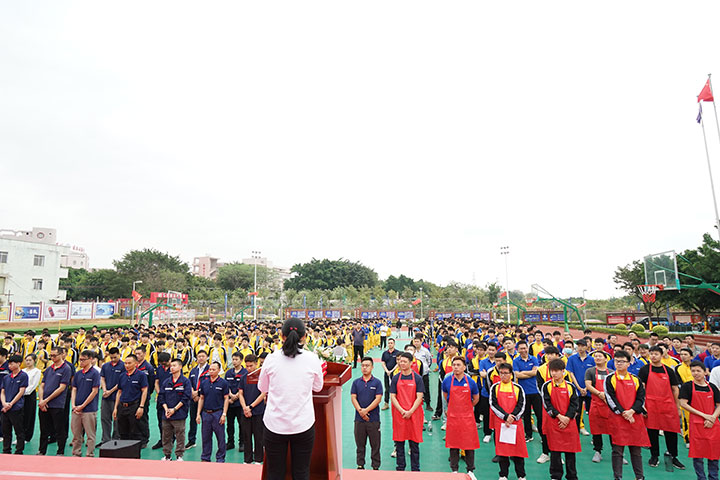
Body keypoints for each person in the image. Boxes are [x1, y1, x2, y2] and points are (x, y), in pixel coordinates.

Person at [258, 318, 324, 480]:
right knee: (301, 472)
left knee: (274, 473)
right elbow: (318, 387)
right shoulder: (312, 359)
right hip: (303, 425)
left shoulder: (271, 359)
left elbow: (262, 388)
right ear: (304, 337)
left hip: (275, 425)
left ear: (281, 336)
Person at [604, 350, 649, 480]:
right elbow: (610, 398)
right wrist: (623, 412)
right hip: (618, 418)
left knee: (636, 450)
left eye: (622, 361)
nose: (619, 364)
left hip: (634, 419)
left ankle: (639, 477)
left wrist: (632, 411)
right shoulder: (610, 378)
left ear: (628, 363)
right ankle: (617, 477)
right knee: (617, 451)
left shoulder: (636, 379)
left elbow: (641, 398)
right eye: (617, 361)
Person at [638, 345, 684, 469]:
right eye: (651, 353)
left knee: (671, 431)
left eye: (656, 354)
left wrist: (677, 406)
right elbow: (641, 388)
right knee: (652, 431)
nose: (653, 356)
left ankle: (674, 456)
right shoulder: (644, 370)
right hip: (651, 405)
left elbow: (675, 389)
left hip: (668, 405)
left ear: (661, 355)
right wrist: (642, 405)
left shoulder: (669, 370)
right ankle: (654, 456)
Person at [679, 360, 720, 480]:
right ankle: (701, 477)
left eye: (698, 371)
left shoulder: (712, 387)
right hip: (696, 424)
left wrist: (712, 417)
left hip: (712, 424)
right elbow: (683, 404)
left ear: (704, 372)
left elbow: (719, 405)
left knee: (714, 453)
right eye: (693, 371)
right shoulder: (687, 386)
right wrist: (704, 415)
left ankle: (714, 477)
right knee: (698, 455)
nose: (696, 373)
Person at [541, 358, 581, 480]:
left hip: (569, 424)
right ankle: (555, 476)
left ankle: (572, 476)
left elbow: (575, 404)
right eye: (552, 371)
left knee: (570, 453)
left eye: (557, 371)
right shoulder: (546, 386)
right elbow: (547, 404)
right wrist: (559, 416)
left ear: (563, 372)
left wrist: (567, 418)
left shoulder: (570, 386)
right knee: (555, 452)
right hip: (554, 423)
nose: (554, 373)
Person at [443, 356, 480, 477]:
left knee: (469, 444)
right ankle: (454, 470)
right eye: (454, 365)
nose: (456, 367)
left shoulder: (471, 382)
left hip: (467, 418)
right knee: (453, 445)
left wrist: (466, 409)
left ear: (464, 367)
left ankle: (470, 470)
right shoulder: (447, 381)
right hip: (453, 418)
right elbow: (446, 395)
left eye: (459, 365)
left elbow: (476, 398)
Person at [489, 362, 527, 480]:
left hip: (515, 424)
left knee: (518, 452)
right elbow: (493, 404)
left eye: (506, 373)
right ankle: (503, 475)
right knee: (502, 451)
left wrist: (513, 417)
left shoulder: (517, 388)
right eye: (501, 373)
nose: (503, 375)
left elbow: (522, 405)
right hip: (501, 424)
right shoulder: (494, 387)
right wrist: (505, 417)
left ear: (511, 374)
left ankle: (521, 475)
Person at [390, 351, 425, 472]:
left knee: (414, 444)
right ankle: (400, 468)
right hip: (399, 415)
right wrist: (401, 410)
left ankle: (415, 469)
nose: (402, 363)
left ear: (411, 363)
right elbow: (393, 396)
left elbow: (419, 397)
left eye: (405, 361)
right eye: (400, 361)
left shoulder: (418, 378)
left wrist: (410, 411)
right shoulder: (395, 378)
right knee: (399, 444)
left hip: (414, 414)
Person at [38, 346, 72, 455]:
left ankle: (60, 451)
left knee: (59, 429)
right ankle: (42, 451)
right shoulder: (48, 369)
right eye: (51, 355)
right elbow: (41, 386)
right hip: (44, 404)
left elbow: (62, 388)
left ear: (61, 355)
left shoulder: (66, 369)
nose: (52, 357)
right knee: (43, 430)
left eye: (54, 355)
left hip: (57, 404)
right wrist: (42, 400)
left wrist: (46, 400)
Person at [350, 356, 383, 470]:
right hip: (359, 420)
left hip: (373, 420)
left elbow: (378, 399)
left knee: (375, 445)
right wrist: (361, 411)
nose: (365, 368)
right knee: (360, 445)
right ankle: (360, 465)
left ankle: (375, 466)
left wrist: (366, 410)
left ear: (372, 367)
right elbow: (353, 398)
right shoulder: (356, 382)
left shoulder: (377, 383)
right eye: (363, 366)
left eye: (367, 366)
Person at [158, 358, 191, 461]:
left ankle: (179, 455)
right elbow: (161, 396)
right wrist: (167, 409)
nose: (171, 368)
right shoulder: (166, 382)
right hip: (167, 414)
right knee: (166, 436)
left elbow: (186, 397)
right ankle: (167, 455)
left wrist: (174, 409)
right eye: (171, 366)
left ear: (180, 367)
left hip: (179, 414)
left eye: (174, 365)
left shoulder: (185, 381)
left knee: (180, 435)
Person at [196, 361, 229, 462]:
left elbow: (226, 399)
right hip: (206, 414)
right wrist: (198, 414)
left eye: (214, 369)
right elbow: (201, 398)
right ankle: (205, 458)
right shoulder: (204, 382)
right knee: (205, 437)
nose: (211, 371)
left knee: (221, 438)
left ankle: (220, 458)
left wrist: (224, 414)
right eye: (210, 369)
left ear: (219, 370)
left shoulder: (223, 383)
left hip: (218, 414)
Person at [70, 350, 101, 457]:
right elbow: (74, 389)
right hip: (76, 409)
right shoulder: (78, 373)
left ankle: (90, 454)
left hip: (89, 409)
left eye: (84, 360)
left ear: (91, 359)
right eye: (80, 360)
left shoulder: (95, 373)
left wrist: (83, 406)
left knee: (90, 434)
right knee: (76, 434)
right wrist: (73, 405)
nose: (81, 362)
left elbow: (95, 391)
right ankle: (76, 452)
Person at [584, 349, 613, 463]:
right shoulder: (590, 371)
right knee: (596, 429)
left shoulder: (611, 372)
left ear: (606, 359)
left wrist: (607, 397)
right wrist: (600, 394)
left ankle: (617, 452)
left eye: (600, 356)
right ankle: (597, 451)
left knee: (613, 429)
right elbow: (588, 385)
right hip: (596, 404)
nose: (597, 358)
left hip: (609, 405)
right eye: (595, 356)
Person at [238, 354, 266, 464]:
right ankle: (247, 460)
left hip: (258, 412)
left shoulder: (262, 378)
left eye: (251, 366)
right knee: (246, 437)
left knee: (258, 437)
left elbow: (263, 393)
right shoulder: (244, 377)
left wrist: (251, 407)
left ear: (256, 364)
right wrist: (245, 407)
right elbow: (240, 393)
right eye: (247, 366)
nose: (248, 368)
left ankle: (259, 459)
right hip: (245, 412)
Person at [113, 354, 148, 441]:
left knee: (135, 431)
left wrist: (141, 407)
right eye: (125, 363)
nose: (127, 365)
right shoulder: (122, 376)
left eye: (129, 363)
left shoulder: (141, 375)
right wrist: (115, 408)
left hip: (134, 406)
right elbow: (119, 392)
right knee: (122, 431)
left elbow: (144, 391)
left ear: (136, 363)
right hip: (122, 406)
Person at [513, 340, 540, 443]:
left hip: (535, 391)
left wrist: (523, 372)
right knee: (526, 415)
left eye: (525, 348)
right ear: (518, 350)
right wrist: (529, 372)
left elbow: (535, 372)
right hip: (523, 392)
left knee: (539, 415)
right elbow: (518, 375)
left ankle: (543, 435)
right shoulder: (516, 361)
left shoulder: (533, 358)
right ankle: (528, 435)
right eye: (521, 348)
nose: (524, 350)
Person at [566, 339, 595, 436]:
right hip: (576, 390)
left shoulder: (592, 359)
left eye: (582, 346)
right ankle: (576, 432)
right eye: (578, 346)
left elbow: (593, 375)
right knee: (576, 412)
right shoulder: (572, 359)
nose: (580, 348)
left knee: (591, 413)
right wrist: (579, 388)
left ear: (587, 347)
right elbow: (571, 374)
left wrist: (586, 388)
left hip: (589, 390)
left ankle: (595, 436)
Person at [1, 355, 28, 454]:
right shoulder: (6, 377)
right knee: (6, 431)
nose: (10, 365)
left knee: (19, 431)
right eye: (9, 363)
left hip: (16, 408)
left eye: (12, 363)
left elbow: (21, 392)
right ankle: (6, 450)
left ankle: (19, 451)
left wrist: (11, 404)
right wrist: (4, 403)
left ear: (18, 364)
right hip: (5, 408)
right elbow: (2, 391)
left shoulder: (23, 376)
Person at [99, 347, 124, 445]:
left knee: (116, 419)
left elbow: (121, 382)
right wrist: (105, 390)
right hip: (106, 397)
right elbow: (102, 378)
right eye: (111, 357)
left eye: (115, 357)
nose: (113, 359)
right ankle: (105, 440)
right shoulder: (105, 366)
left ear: (119, 354)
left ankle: (116, 439)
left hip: (117, 397)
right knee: (105, 418)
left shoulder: (123, 366)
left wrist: (110, 391)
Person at [186, 349, 210, 449]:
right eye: (199, 356)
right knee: (192, 419)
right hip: (193, 399)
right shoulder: (193, 370)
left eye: (203, 356)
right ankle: (192, 440)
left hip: (205, 399)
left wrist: (198, 393)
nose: (201, 358)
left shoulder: (210, 370)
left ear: (207, 357)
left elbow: (209, 384)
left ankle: (206, 442)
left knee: (206, 421)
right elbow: (189, 383)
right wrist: (193, 393)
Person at [225, 351, 247, 452]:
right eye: (233, 359)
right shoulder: (228, 372)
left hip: (239, 403)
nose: (234, 361)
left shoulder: (245, 372)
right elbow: (226, 386)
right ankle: (230, 442)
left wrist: (236, 396)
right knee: (229, 424)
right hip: (230, 403)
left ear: (241, 361)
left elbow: (244, 387)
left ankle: (242, 443)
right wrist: (231, 395)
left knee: (241, 424)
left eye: (236, 359)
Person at [22, 353, 41, 442]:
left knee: (29, 415)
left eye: (30, 360)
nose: (28, 362)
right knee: (21, 416)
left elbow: (33, 385)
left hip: (29, 395)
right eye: (27, 360)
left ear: (34, 361)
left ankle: (27, 436)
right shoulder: (23, 371)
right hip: (20, 395)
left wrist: (24, 392)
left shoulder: (37, 371)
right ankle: (20, 436)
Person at [413, 335, 433, 411]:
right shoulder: (412, 352)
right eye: (415, 341)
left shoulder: (425, 351)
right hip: (414, 375)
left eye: (418, 341)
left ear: (421, 342)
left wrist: (426, 368)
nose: (416, 343)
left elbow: (429, 360)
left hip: (424, 374)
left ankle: (428, 404)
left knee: (426, 389)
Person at [380, 338, 399, 410]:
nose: (390, 344)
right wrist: (387, 371)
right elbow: (383, 363)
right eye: (389, 343)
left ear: (394, 344)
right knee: (387, 388)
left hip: (395, 373)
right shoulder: (385, 353)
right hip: (387, 373)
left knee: (396, 388)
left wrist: (392, 371)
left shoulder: (398, 353)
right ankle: (386, 403)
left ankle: (397, 404)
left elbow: (398, 363)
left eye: (391, 343)